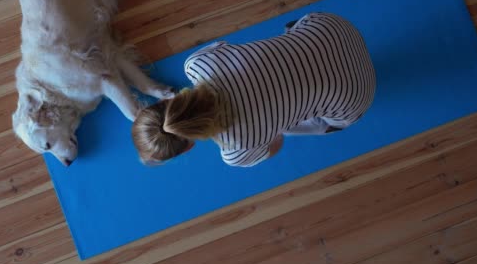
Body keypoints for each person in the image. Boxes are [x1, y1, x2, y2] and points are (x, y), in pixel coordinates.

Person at [132, 13, 376, 167]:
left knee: (285, 126)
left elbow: (276, 143)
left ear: (189, 146)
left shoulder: (237, 150)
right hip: (334, 27)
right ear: (165, 102)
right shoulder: (197, 64)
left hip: (358, 92)